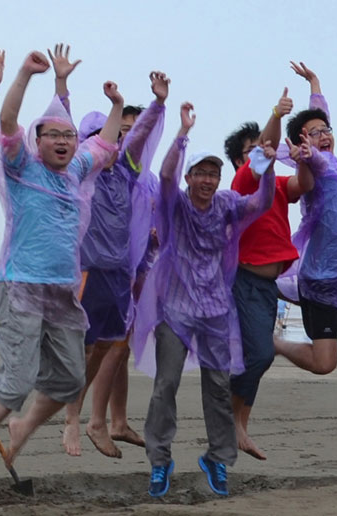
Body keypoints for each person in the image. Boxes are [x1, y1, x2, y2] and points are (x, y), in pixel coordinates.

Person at [0, 47, 125, 482]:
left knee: (70, 380)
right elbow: (8, 122)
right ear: (38, 139)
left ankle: (24, 426)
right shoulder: (22, 167)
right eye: (53, 135)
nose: (63, 142)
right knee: (17, 380)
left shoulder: (77, 171)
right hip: (21, 289)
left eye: (69, 135)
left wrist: (117, 106)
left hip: (63, 293)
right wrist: (25, 75)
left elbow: (105, 143)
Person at [132, 102, 278, 498]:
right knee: (166, 384)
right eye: (201, 173)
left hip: (215, 310)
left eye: (214, 173)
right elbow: (165, 175)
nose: (208, 180)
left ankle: (218, 458)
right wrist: (181, 134)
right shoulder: (175, 204)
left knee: (217, 387)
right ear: (190, 177)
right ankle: (159, 461)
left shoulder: (227, 204)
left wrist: (267, 170)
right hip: (175, 309)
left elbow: (261, 204)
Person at [63, 68, 169, 459]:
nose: (109, 143)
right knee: (85, 349)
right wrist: (62, 86)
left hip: (122, 274)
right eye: (100, 137)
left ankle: (101, 418)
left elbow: (139, 142)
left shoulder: (127, 173)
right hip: (87, 272)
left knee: (110, 347)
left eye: (114, 138)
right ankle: (75, 418)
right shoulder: (80, 174)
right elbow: (61, 129)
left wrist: (157, 104)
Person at [273, 60, 337, 377]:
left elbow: (320, 112)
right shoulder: (313, 163)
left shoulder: (335, 160)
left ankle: (317, 311)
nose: (323, 135)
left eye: (326, 130)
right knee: (324, 364)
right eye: (314, 134)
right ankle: (274, 343)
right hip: (320, 278)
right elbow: (313, 157)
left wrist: (314, 82)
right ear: (302, 143)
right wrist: (306, 154)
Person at [228, 87, 312, 461]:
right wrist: (277, 116)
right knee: (260, 354)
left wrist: (303, 159)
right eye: (253, 150)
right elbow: (264, 150)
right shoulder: (243, 183)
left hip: (267, 287)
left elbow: (303, 185)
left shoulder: (276, 184)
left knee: (258, 356)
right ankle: (231, 422)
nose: (265, 152)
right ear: (239, 160)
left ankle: (238, 426)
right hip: (245, 281)